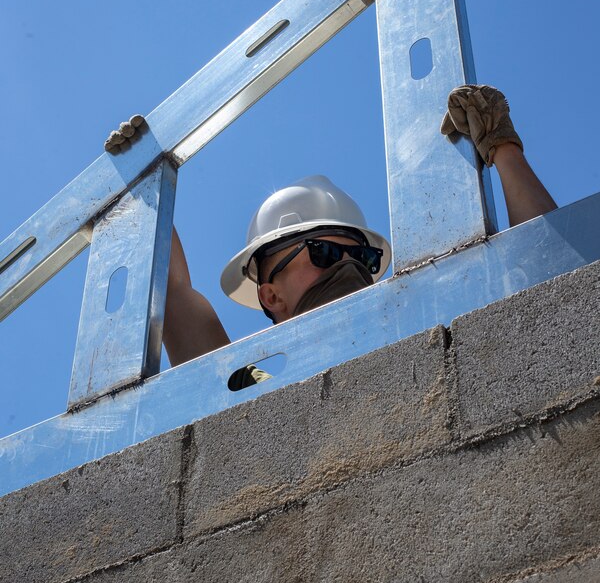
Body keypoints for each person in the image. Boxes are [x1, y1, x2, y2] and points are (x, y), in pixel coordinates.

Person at [106, 85, 557, 377]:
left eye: (363, 259)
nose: (347, 266)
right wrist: (141, 190)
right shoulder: (249, 387)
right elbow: (169, 288)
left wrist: (502, 150)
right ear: (271, 296)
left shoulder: (424, 332)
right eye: (321, 251)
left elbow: (543, 277)